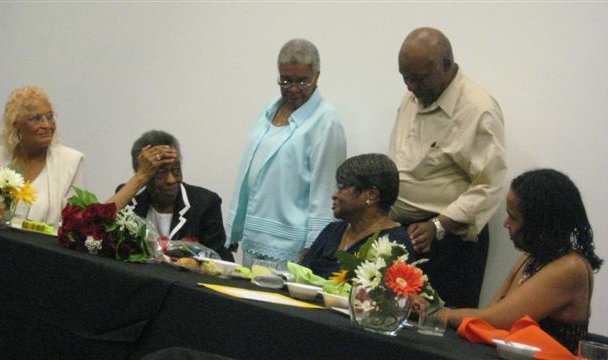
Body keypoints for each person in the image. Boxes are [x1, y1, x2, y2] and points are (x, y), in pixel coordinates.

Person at [389, 27, 506, 308]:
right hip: (403, 234)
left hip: (448, 243)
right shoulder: (414, 96)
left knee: (435, 334)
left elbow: (489, 186)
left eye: (418, 78)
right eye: (405, 78)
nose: (410, 87)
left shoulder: (477, 109)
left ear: (447, 66)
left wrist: (438, 225)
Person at [440, 169, 603, 354]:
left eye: (513, 217)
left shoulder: (571, 268)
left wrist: (439, 314)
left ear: (540, 223)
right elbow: (490, 319)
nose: (505, 223)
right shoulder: (529, 258)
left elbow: (494, 319)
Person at [226, 38, 347, 268]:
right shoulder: (269, 107)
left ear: (317, 77)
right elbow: (249, 168)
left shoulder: (327, 121)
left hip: (291, 249)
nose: (292, 89)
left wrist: (315, 250)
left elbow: (325, 191)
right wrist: (236, 226)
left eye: (302, 81)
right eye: (285, 80)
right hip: (253, 238)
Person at [108, 130, 233, 261]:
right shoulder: (129, 196)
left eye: (176, 170)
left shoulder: (204, 203)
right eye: (161, 173)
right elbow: (94, 230)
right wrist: (139, 178)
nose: (171, 180)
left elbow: (220, 260)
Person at [0, 86, 85, 226]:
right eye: (36, 118)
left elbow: (75, 225)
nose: (46, 125)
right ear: (16, 125)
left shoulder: (72, 162)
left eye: (50, 116)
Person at [301, 154, 413, 279]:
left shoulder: (395, 243)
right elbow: (301, 274)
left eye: (342, 188)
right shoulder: (332, 230)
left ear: (371, 195)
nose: (334, 195)